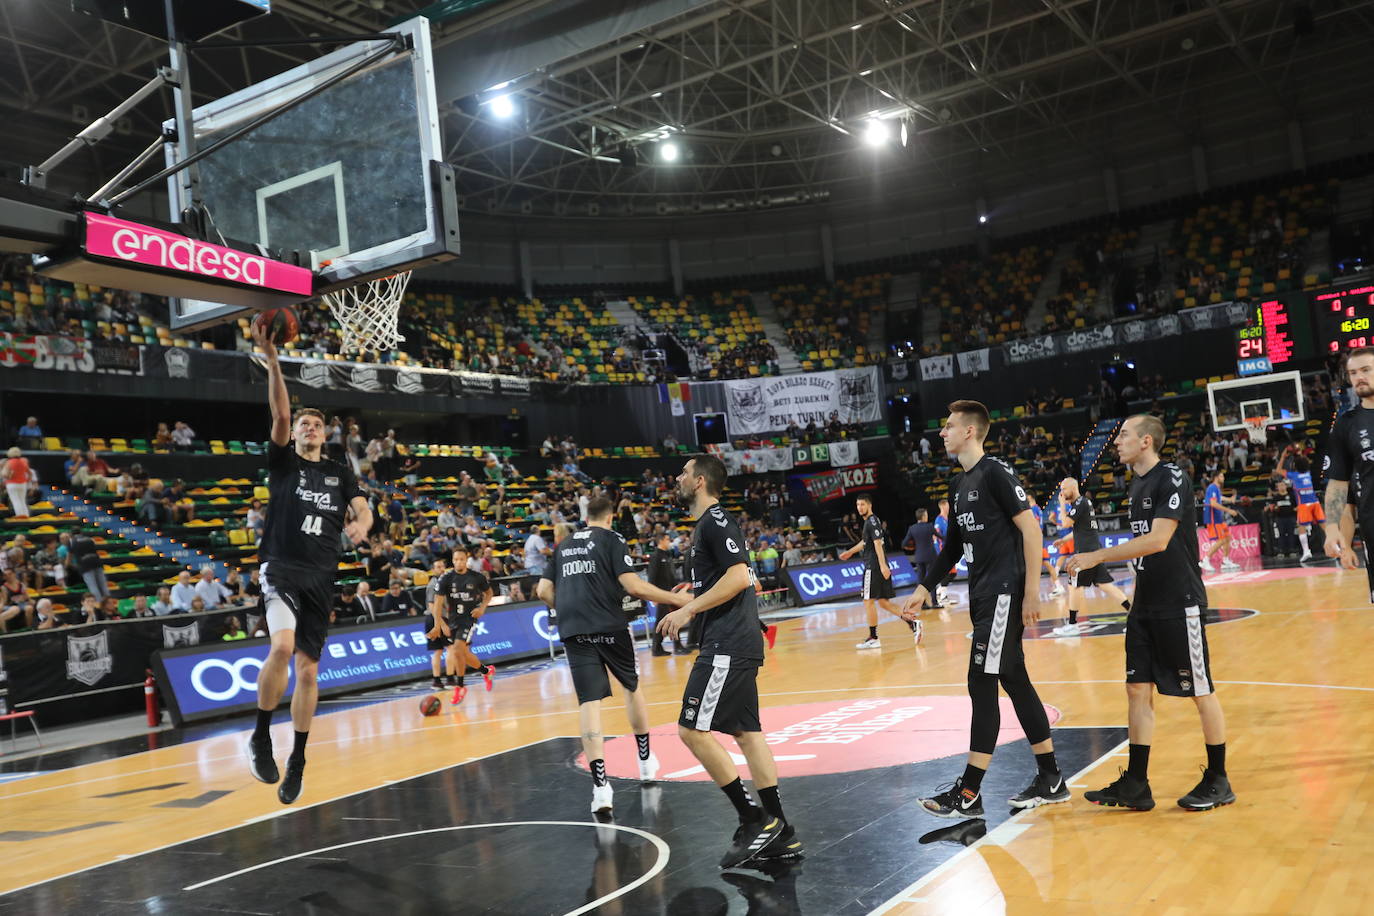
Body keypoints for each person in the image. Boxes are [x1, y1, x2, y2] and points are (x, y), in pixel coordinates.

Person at [901, 400, 1067, 816]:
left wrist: (1033, 589)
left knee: (981, 682)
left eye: (949, 426)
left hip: (1004, 593)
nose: (942, 433)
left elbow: (1031, 529)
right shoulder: (958, 486)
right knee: (1014, 680)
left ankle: (969, 792)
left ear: (970, 431)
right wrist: (924, 589)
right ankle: (1051, 778)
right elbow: (954, 547)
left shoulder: (995, 472)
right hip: (982, 596)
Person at [1069, 415, 1234, 811]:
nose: (1117, 443)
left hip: (1179, 602)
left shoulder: (1171, 477)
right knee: (1136, 689)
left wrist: (1098, 555)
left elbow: (1159, 541)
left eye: (1123, 435)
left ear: (1146, 441)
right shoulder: (1137, 484)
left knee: (1200, 690)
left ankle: (1219, 778)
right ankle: (1137, 784)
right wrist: (1136, 603)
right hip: (1145, 606)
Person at [655, 455, 804, 869]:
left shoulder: (716, 522)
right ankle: (781, 830)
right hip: (733, 639)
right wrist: (691, 595)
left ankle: (751, 817)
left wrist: (688, 611)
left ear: (700, 481)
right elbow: (725, 580)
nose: (678, 478)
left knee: (691, 730)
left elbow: (739, 576)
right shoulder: (707, 526)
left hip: (727, 643)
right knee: (746, 732)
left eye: (684, 473)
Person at [245, 320, 372, 806]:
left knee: (309, 673)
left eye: (317, 424)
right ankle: (260, 735)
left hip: (322, 578)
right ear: (295, 434)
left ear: (326, 433)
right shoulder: (284, 462)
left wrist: (364, 522)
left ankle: (297, 757)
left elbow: (363, 507)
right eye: (304, 424)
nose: (309, 427)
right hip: (281, 567)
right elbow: (278, 412)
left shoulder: (341, 471)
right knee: (281, 647)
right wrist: (273, 361)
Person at [535, 496, 690, 814]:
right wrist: (679, 601)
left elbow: (542, 591)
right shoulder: (612, 539)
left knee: (588, 704)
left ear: (585, 516)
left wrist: (565, 608)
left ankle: (601, 789)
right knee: (631, 688)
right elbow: (634, 587)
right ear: (610, 518)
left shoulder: (562, 546)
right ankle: (646, 761)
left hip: (574, 629)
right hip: (609, 625)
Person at [1053, 477, 1132, 637]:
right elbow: (1080, 529)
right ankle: (1135, 615)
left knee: (1073, 586)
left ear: (1073, 488)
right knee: (1105, 585)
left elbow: (1067, 523)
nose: (1061, 493)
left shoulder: (1080, 503)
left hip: (1085, 554)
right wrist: (1063, 539)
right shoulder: (1083, 503)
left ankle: (1073, 625)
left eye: (1063, 490)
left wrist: (1061, 506)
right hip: (1093, 550)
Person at [1322, 347, 1374, 584]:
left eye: (1366, 370)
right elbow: (1338, 484)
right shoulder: (1346, 424)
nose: (1359, 377)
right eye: (1353, 373)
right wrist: (1332, 526)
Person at [842, 495, 920, 647]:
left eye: (862, 504)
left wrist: (883, 565)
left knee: (868, 601)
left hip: (873, 567)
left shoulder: (871, 522)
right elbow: (866, 543)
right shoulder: (872, 521)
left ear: (869, 505)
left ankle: (873, 638)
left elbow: (878, 544)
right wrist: (850, 552)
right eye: (857, 505)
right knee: (884, 603)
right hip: (878, 566)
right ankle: (912, 623)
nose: (859, 508)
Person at [433, 546, 496, 705]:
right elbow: (437, 604)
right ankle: (486, 671)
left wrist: (482, 608)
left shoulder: (476, 577)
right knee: (461, 654)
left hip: (469, 619)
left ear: (466, 560)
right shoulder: (446, 579)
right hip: (452, 620)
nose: (459, 562)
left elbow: (489, 594)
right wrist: (439, 624)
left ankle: (460, 686)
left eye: (462, 559)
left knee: (458, 650)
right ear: (453, 561)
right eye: (456, 560)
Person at [1280, 449, 1322, 561]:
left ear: (1295, 466)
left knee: (1301, 527)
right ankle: (1336, 547)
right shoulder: (1308, 473)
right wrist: (1299, 454)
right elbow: (1304, 462)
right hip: (1315, 502)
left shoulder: (1294, 475)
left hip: (1304, 504)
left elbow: (1278, 470)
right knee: (1324, 524)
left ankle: (1306, 551)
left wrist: (1283, 457)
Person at [1200, 470, 1241, 573]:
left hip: (1218, 518)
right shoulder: (1212, 487)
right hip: (1213, 518)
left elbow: (1218, 498)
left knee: (1227, 537)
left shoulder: (1216, 488)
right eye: (1222, 476)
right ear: (1216, 477)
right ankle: (1205, 560)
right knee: (1221, 540)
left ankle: (1225, 561)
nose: (1223, 478)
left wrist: (1229, 499)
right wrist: (1229, 510)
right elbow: (1213, 503)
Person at [901, 508, 941, 612]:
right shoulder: (929, 526)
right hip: (931, 556)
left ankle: (922, 604)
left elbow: (904, 544)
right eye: (926, 515)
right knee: (932, 578)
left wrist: (912, 548)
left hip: (919, 557)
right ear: (923, 516)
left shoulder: (912, 528)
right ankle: (934, 602)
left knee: (920, 581)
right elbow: (941, 537)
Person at [645, 533, 678, 656]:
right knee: (661, 621)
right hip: (661, 594)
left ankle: (667, 646)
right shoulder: (656, 556)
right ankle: (656, 648)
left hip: (671, 593)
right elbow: (652, 576)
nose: (670, 542)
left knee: (670, 619)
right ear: (661, 541)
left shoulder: (667, 555)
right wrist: (653, 595)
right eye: (668, 539)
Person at [3, 447, 33, 519]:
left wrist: (7, 477)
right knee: (22, 501)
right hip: (22, 484)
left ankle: (20, 517)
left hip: (12, 484)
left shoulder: (9, 462)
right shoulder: (23, 461)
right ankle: (26, 516)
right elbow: (30, 473)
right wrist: (27, 480)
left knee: (16, 501)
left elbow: (5, 474)